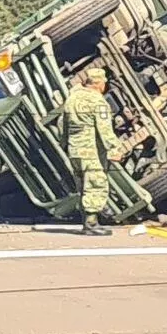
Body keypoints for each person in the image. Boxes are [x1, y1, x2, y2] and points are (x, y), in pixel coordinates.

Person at [62, 68, 125, 236]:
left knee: (83, 186)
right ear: (99, 84)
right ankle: (91, 224)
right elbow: (105, 130)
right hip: (92, 150)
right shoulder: (98, 102)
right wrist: (115, 148)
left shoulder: (72, 99)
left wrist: (64, 145)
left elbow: (64, 125)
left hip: (75, 150)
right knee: (96, 184)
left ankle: (86, 222)